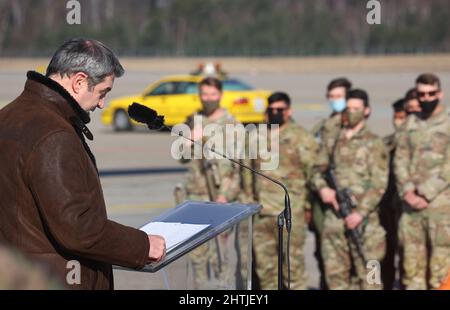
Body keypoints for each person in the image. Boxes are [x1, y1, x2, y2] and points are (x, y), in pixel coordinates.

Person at [0, 39, 166, 290]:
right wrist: (143, 246)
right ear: (79, 82)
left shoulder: (9, 115)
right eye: (103, 92)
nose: (102, 104)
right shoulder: (54, 136)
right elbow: (78, 229)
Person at [311, 89, 388, 290]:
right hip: (335, 221)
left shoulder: (374, 143)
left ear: (367, 110)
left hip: (365, 224)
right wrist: (323, 190)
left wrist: (360, 213)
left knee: (371, 279)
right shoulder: (333, 139)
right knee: (335, 278)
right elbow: (317, 170)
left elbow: (380, 183)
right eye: (348, 108)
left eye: (356, 108)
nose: (351, 112)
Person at [246, 92, 318, 290]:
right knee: (266, 272)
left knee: (292, 271)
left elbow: (313, 175)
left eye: (280, 109)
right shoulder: (256, 137)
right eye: (272, 110)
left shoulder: (302, 138)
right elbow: (247, 173)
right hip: (262, 214)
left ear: (289, 111)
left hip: (290, 213)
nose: (276, 113)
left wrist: (308, 207)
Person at [175, 77, 242, 289]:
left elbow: (239, 168)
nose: (209, 99)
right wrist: (189, 139)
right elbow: (182, 157)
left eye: (213, 94)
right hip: (196, 197)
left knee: (221, 257)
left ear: (220, 95)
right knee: (197, 257)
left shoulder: (231, 125)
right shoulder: (193, 120)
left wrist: (226, 195)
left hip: (220, 199)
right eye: (205, 95)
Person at [394, 73, 450, 289]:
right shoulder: (410, 124)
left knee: (440, 272)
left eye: (431, 93)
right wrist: (408, 192)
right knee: (411, 270)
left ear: (440, 94)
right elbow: (400, 160)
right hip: (410, 209)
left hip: (440, 209)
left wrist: (425, 192)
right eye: (421, 94)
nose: (426, 98)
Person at [310, 77, 352, 289]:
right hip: (322, 198)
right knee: (324, 254)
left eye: (340, 97)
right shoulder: (322, 127)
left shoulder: (351, 127)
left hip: (349, 200)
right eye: (332, 97)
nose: (335, 101)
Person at [379, 98, 407, 289]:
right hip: (384, 212)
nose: (399, 121)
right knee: (380, 260)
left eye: (403, 117)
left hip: (406, 212)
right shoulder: (384, 144)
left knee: (408, 262)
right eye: (396, 117)